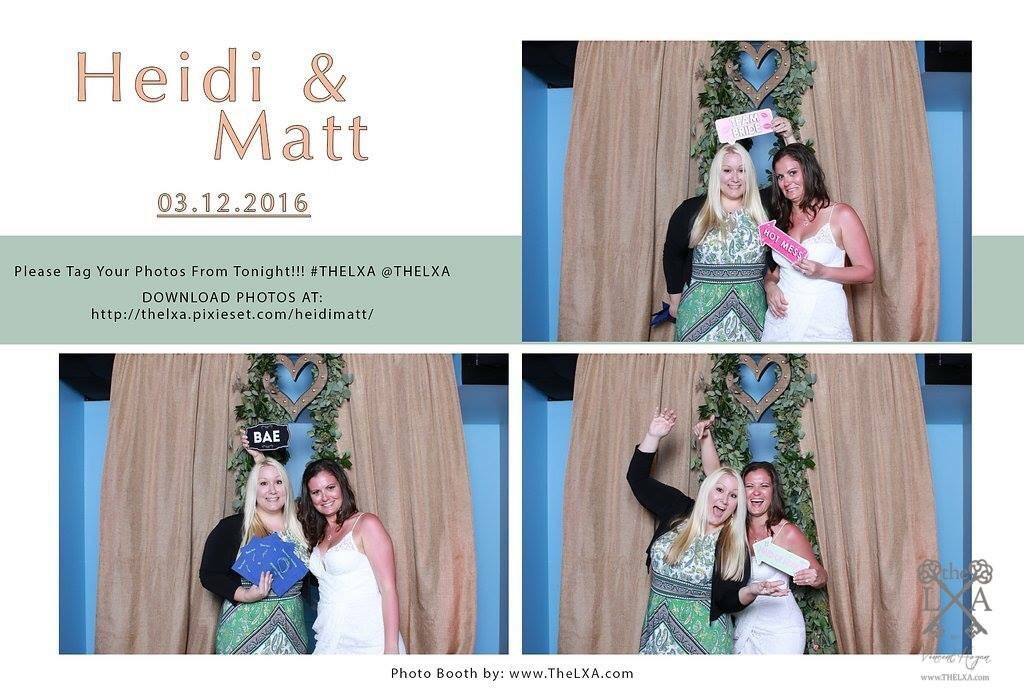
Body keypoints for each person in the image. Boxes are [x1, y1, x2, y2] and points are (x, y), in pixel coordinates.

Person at [628, 408, 788, 654]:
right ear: (707, 490)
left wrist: (751, 591)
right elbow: (637, 479)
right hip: (657, 631)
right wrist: (653, 435)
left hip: (705, 643)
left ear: (737, 506)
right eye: (720, 490)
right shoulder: (679, 508)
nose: (724, 500)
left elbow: (728, 600)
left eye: (734, 496)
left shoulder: (733, 542)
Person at [693, 416, 828, 654]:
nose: (756, 493)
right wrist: (705, 438)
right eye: (749, 486)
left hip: (782, 631)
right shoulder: (733, 526)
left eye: (764, 486)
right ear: (740, 491)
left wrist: (814, 576)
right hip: (744, 626)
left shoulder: (786, 532)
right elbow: (715, 476)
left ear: (772, 491)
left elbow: (821, 576)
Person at [663, 118, 797, 342]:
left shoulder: (765, 206)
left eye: (741, 170)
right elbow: (672, 255)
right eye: (727, 170)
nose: (734, 178)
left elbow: (800, 177)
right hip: (698, 316)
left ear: (749, 174)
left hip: (752, 314)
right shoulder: (691, 209)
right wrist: (675, 301)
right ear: (717, 173)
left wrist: (788, 137)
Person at [200, 439, 310, 654]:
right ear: (254, 489)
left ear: (287, 487)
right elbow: (209, 575)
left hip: (292, 632)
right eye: (263, 484)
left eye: (278, 482)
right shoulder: (233, 527)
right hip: (244, 634)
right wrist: (244, 594)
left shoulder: (302, 527)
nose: (272, 490)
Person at [762, 143, 875, 341]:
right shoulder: (779, 220)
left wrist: (823, 271)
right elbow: (775, 272)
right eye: (780, 177)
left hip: (823, 319)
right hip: (781, 320)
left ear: (808, 171)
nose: (786, 182)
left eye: (793, 173)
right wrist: (770, 287)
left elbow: (867, 272)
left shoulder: (841, 214)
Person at [299, 459, 405, 654]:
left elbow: (388, 588)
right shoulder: (317, 532)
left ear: (342, 486)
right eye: (316, 492)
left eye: (330, 487)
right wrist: (260, 460)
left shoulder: (367, 524)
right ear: (310, 497)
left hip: (368, 636)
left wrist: (391, 648)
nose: (324, 497)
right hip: (330, 632)